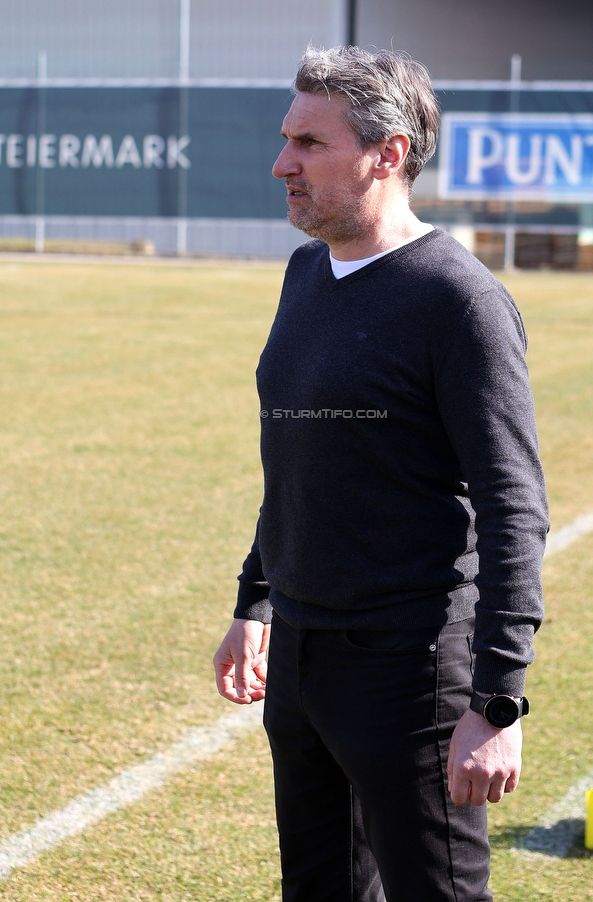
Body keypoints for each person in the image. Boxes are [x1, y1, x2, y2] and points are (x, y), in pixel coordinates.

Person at [213, 45, 548, 902]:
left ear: (388, 153)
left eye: (310, 144)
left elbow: (513, 508)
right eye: (288, 138)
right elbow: (299, 457)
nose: (281, 163)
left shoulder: (457, 300)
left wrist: (497, 701)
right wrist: (256, 602)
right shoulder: (305, 274)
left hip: (413, 675)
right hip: (300, 658)